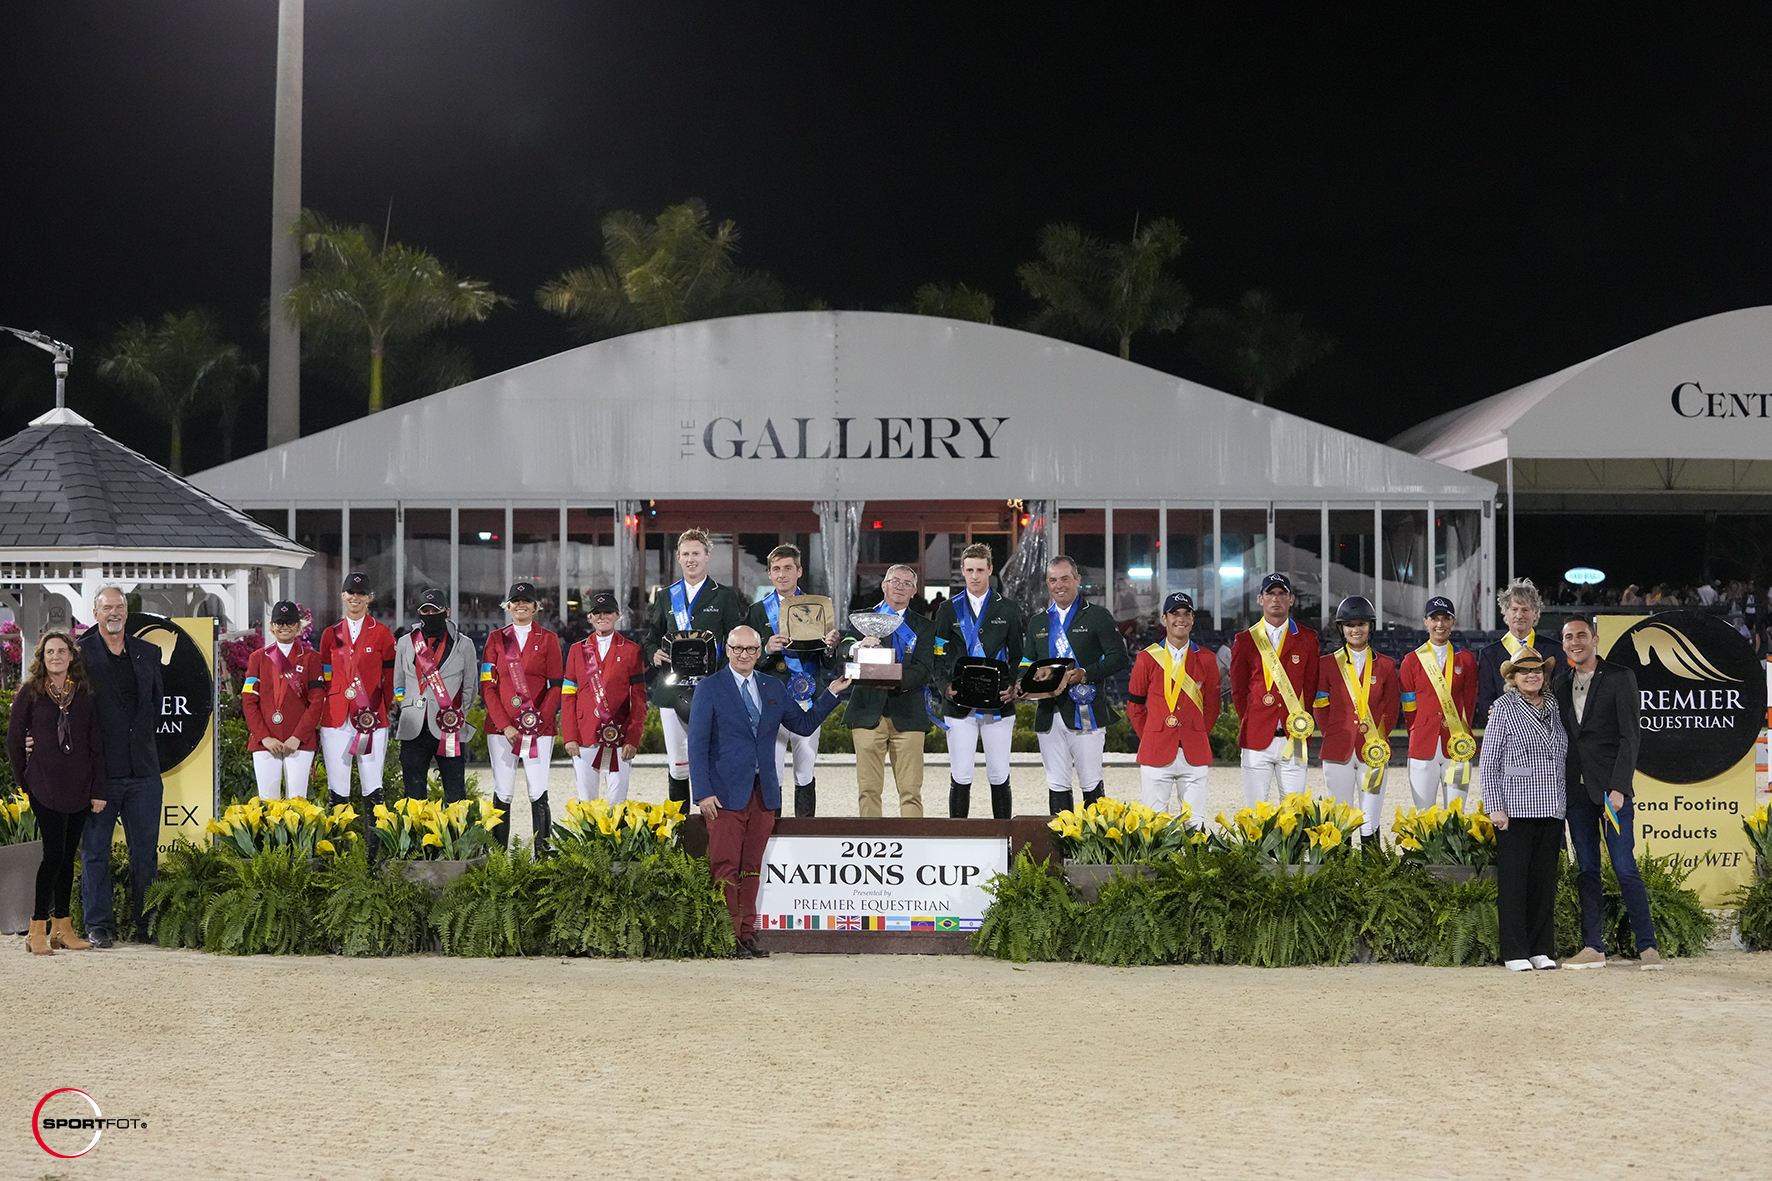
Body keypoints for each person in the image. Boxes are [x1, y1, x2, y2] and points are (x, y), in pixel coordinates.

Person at [688, 625, 850, 958]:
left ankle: (747, 934)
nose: (744, 655)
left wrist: (831, 693)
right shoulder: (709, 688)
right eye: (737, 649)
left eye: (750, 649)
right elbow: (697, 744)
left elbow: (803, 725)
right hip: (724, 795)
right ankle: (726, 935)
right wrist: (702, 793)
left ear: (760, 652)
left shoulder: (772, 686)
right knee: (725, 867)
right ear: (727, 650)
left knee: (751, 868)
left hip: (764, 795)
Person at [1554, 616, 1662, 970]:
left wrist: (1618, 789)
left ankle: (1647, 946)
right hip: (1577, 795)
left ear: (1595, 639)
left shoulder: (1619, 677)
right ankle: (1593, 947)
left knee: (1624, 867)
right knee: (1587, 870)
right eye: (1568, 637)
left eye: (1581, 635)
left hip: (1612, 794)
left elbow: (1631, 737)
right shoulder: (1559, 683)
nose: (1575, 641)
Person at [76, 585, 165, 948]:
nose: (114, 613)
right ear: (95, 613)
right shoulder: (80, 654)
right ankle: (99, 925)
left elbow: (156, 704)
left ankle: (147, 924)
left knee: (145, 853)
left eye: (119, 607)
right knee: (95, 852)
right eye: (106, 607)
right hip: (101, 775)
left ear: (127, 613)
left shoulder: (149, 652)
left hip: (144, 771)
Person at [7, 632, 107, 955]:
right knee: (53, 854)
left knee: (67, 857)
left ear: (71, 656)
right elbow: (13, 739)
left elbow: (96, 744)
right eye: (50, 652)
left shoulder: (84, 694)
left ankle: (62, 927)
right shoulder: (31, 692)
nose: (56, 657)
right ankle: (37, 928)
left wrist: (98, 788)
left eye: (61, 651)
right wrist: (24, 779)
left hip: (79, 785)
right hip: (44, 784)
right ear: (42, 657)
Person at [644, 528, 748, 805]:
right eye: (686, 554)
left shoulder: (724, 596)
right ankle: (680, 833)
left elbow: (735, 642)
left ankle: (715, 833)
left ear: (707, 557)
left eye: (696, 554)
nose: (691, 559)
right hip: (672, 691)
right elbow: (651, 639)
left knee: (714, 758)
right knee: (678, 764)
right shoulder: (666, 596)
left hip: (713, 691)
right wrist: (654, 654)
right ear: (678, 557)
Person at [1477, 647, 1567, 971]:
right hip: (1515, 805)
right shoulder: (1503, 708)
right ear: (1513, 678)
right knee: (1514, 883)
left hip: (1551, 804)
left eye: (1538, 670)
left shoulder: (1553, 706)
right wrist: (1494, 807)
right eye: (1525, 671)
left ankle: (1541, 948)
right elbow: (1488, 763)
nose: (1532, 675)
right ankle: (1515, 951)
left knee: (1543, 883)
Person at [1020, 555, 1130, 814]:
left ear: (1077, 580)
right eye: (1053, 580)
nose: (1059, 585)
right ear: (1047, 584)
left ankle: (1093, 850)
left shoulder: (1098, 616)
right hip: (1048, 713)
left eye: (1065, 579)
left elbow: (1119, 658)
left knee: (1091, 781)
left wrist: (1085, 674)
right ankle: (1061, 850)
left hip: (1087, 710)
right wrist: (1023, 679)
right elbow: (1026, 661)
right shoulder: (1038, 622)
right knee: (1057, 783)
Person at [931, 543, 1024, 819]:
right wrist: (944, 685)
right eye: (969, 570)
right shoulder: (948, 610)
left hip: (999, 703)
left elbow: (1020, 656)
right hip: (959, 704)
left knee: (999, 773)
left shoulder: (1008, 609)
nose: (974, 576)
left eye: (980, 570)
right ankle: (958, 842)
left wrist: (1015, 686)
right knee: (961, 773)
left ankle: (1003, 843)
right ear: (962, 571)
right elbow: (937, 654)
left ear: (990, 570)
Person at [746, 543, 839, 817]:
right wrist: (764, 649)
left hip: (808, 699)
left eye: (788, 568)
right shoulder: (757, 612)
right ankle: (770, 833)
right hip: (770, 700)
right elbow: (745, 659)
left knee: (805, 769)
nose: (782, 574)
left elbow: (829, 661)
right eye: (776, 569)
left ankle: (805, 833)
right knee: (771, 771)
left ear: (799, 571)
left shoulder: (819, 608)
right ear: (769, 574)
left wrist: (831, 647)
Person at [836, 563, 937, 817]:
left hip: (909, 713)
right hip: (867, 711)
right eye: (895, 581)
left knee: (911, 792)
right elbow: (842, 650)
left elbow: (924, 668)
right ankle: (872, 844)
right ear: (884, 585)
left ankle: (911, 846)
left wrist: (893, 680)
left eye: (907, 583)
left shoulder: (924, 627)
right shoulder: (862, 619)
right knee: (868, 789)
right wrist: (858, 645)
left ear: (914, 591)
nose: (900, 587)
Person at [480, 581, 564, 854]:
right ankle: (497, 858)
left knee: (537, 790)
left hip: (538, 730)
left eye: (526, 600)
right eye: (515, 600)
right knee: (502, 790)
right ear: (508, 605)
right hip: (501, 730)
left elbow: (556, 686)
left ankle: (541, 857)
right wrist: (505, 725)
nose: (520, 604)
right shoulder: (495, 640)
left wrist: (538, 723)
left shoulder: (549, 639)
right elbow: (488, 686)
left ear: (535, 606)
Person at [1228, 573, 1321, 808]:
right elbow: (1238, 691)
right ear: (1261, 599)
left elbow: (1310, 687)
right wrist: (1251, 719)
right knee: (1255, 811)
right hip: (1256, 736)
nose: (1276, 599)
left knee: (1294, 811)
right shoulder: (1245, 640)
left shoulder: (1308, 638)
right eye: (1271, 593)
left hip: (1295, 735)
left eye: (1282, 594)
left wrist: (1302, 720)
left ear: (1291, 600)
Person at [1126, 592, 1219, 824]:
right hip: (1156, 748)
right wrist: (1151, 735)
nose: (1181, 619)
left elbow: (1212, 707)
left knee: (1195, 823)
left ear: (1192, 619)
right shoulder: (1147, 658)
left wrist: (1197, 733)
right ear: (1164, 619)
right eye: (1175, 614)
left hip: (1194, 750)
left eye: (1186, 613)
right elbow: (1135, 706)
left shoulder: (1206, 659)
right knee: (1154, 824)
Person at [318, 572, 398, 840]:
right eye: (350, 592)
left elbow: (389, 676)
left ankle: (373, 857)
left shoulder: (383, 634)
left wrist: (382, 708)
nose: (355, 597)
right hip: (337, 719)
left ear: (370, 598)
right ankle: (338, 856)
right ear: (343, 596)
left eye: (361, 594)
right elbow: (326, 674)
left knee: (372, 786)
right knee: (337, 788)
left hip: (371, 719)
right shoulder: (330, 635)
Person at [1313, 595, 1399, 843]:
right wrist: (1333, 734)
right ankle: (1341, 872)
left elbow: (1391, 709)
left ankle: (1371, 870)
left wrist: (1377, 740)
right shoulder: (1327, 664)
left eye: (1361, 624)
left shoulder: (1385, 665)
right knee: (1340, 815)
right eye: (1350, 625)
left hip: (1373, 750)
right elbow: (1320, 705)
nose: (1356, 630)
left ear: (1370, 626)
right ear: (1342, 628)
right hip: (1337, 748)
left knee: (1370, 814)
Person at [392, 588, 478, 805]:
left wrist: (456, 715)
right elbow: (398, 685)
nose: (430, 615)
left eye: (435, 610)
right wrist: (409, 708)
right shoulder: (405, 643)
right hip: (413, 729)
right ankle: (414, 839)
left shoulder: (464, 644)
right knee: (413, 796)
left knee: (455, 795)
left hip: (448, 726)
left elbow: (470, 687)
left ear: (447, 611)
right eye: (425, 611)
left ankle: (455, 838)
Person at [562, 591, 648, 804]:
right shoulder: (576, 650)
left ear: (617, 615)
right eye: (596, 613)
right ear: (590, 617)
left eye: (607, 612)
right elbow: (568, 696)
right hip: (584, 735)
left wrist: (633, 738)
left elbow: (638, 699)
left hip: (618, 735)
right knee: (587, 801)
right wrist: (570, 736)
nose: (602, 617)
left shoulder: (632, 651)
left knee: (617, 801)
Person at [1397, 595, 1479, 809]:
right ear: (1426, 621)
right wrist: (1419, 729)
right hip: (1423, 745)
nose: (1440, 624)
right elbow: (1408, 707)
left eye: (1445, 618)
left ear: (1453, 621)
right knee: (1425, 815)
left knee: (1456, 815)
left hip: (1457, 744)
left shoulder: (1467, 660)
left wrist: (1460, 729)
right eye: (1434, 619)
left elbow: (1469, 703)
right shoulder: (1411, 661)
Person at [241, 601, 325, 801]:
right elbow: (249, 701)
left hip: (299, 741)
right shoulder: (257, 658)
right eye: (279, 622)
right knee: (268, 802)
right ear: (271, 626)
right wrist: (264, 737)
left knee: (297, 802)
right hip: (265, 741)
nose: (284, 626)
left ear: (298, 626)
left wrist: (298, 736)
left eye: (289, 622)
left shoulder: (311, 658)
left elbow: (317, 701)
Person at [1474, 578, 1565, 731]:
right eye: (1514, 609)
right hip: (1505, 730)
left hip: (1545, 729)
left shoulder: (1554, 650)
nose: (1519, 615)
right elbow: (1485, 699)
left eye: (1525, 610)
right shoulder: (1490, 654)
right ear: (1505, 613)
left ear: (1536, 614)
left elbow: (1560, 694)